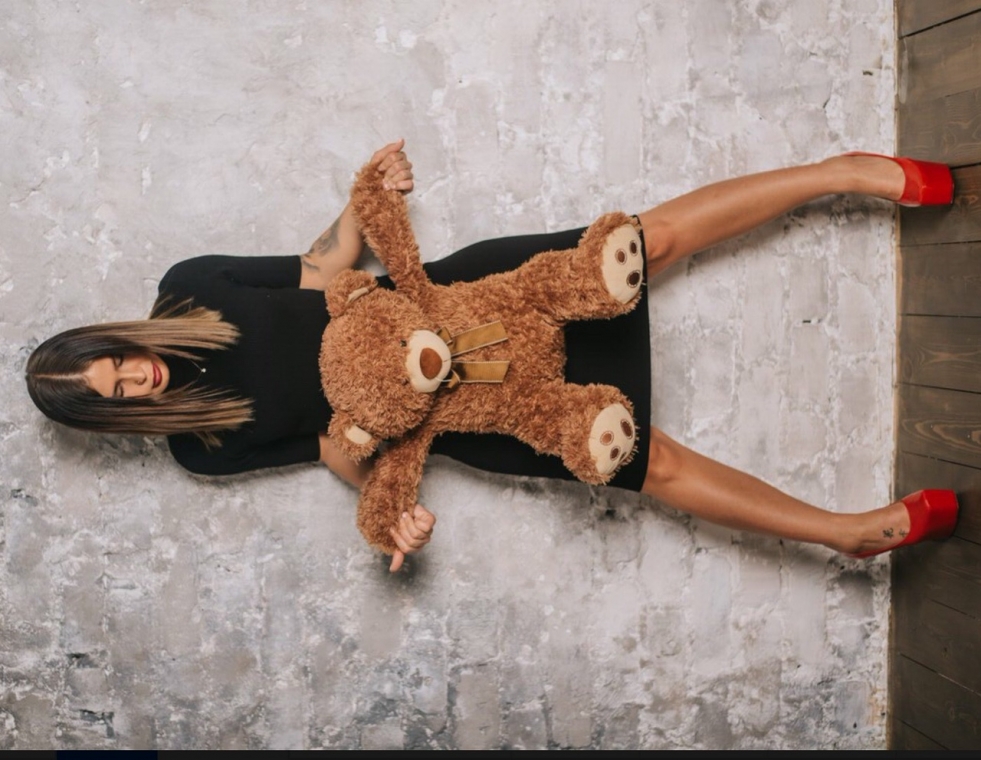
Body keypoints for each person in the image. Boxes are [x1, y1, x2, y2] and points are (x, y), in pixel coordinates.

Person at [26, 142, 959, 571]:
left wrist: (366, 195)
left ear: (113, 336)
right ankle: (844, 532)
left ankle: (843, 172)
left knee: (644, 243)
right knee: (652, 466)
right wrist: (388, 511)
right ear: (112, 418)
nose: (135, 378)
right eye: (115, 394)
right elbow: (329, 451)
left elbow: (323, 270)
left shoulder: (191, 286)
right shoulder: (201, 448)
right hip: (464, 419)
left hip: (465, 299)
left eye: (116, 361)